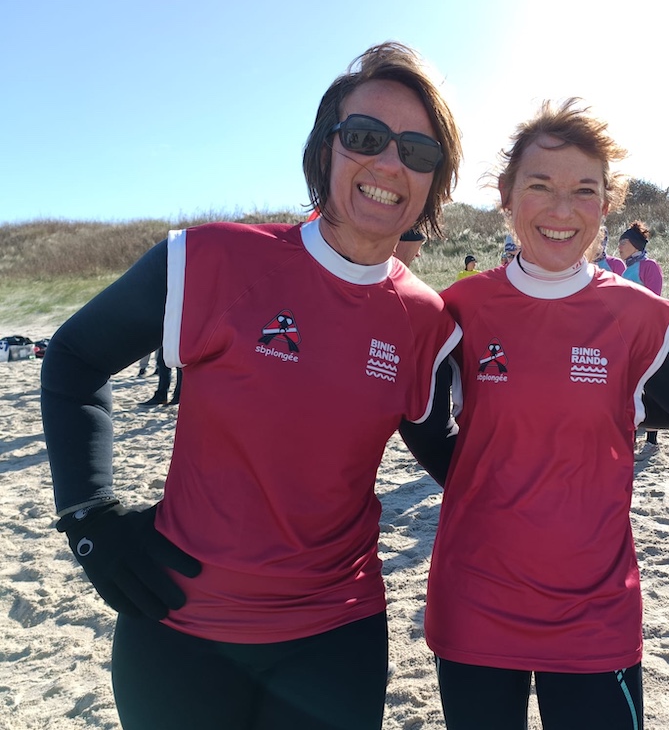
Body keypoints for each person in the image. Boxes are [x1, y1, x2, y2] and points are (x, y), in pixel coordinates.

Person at [40, 41, 463, 730]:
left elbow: (448, 451)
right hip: (180, 624)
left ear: (434, 182)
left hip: (336, 635)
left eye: (417, 151)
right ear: (324, 149)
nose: (390, 163)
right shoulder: (212, 258)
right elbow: (74, 359)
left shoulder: (426, 320)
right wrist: (88, 518)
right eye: (365, 137)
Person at [421, 99, 669, 730]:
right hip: (476, 600)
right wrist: (474, 480)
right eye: (540, 186)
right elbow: (415, 420)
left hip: (594, 610)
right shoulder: (459, 309)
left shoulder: (642, 316)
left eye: (585, 190)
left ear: (607, 204)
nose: (562, 210)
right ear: (506, 196)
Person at [617, 220, 663, 448]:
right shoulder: (626, 269)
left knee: (649, 385)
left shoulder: (648, 266)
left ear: (635, 244)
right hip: (628, 333)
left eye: (623, 242)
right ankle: (632, 434)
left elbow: (654, 299)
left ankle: (652, 439)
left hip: (645, 333)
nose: (619, 246)